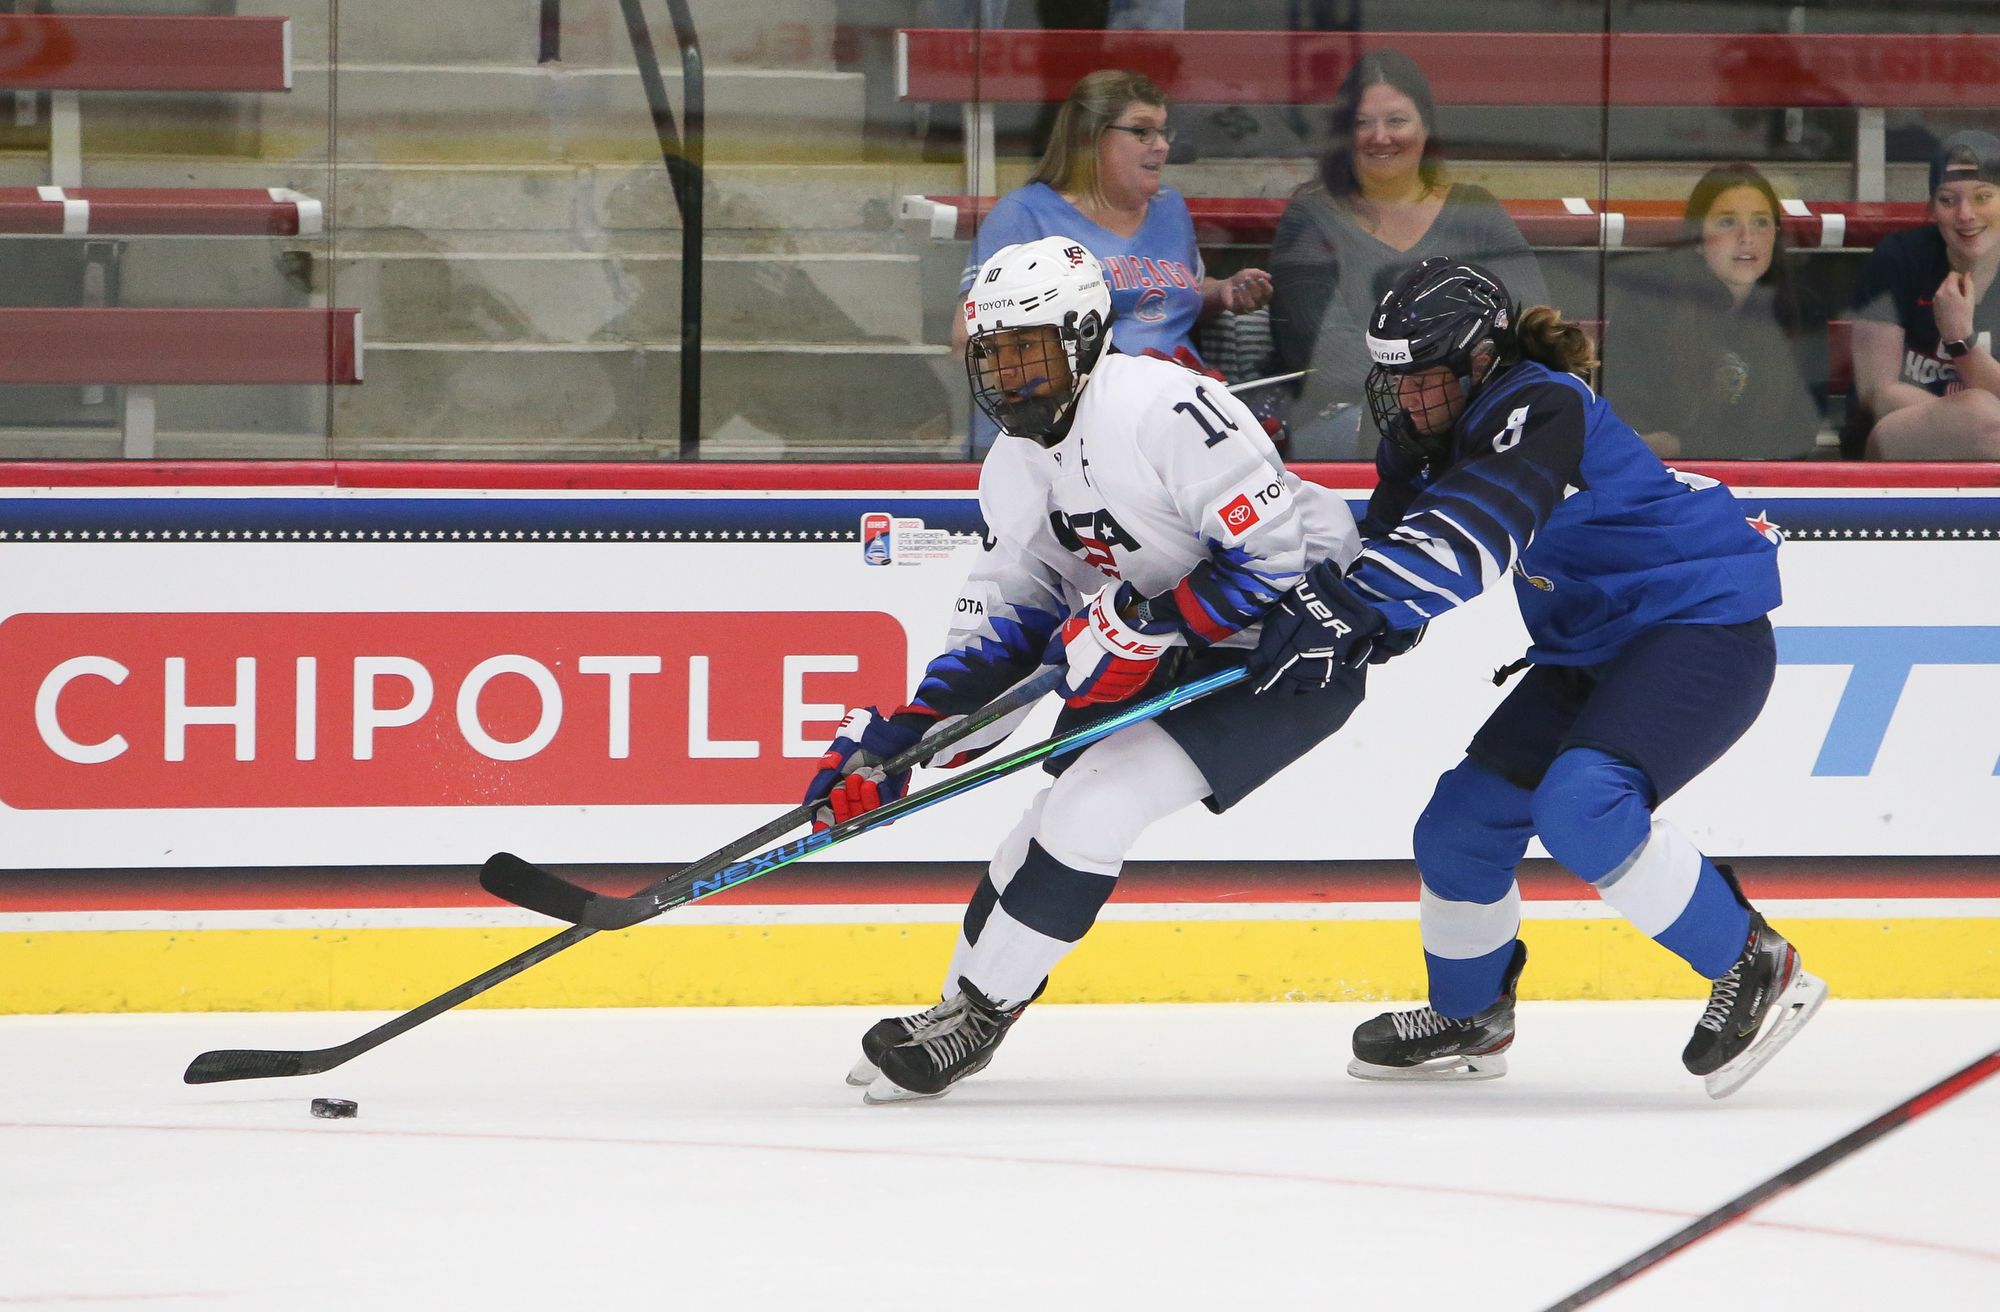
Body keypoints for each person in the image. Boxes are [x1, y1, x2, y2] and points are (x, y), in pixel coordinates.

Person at [1250, 258, 1826, 1099]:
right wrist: (1333, 625)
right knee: (1458, 828)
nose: (1405, 400)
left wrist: (1359, 608)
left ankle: (1752, 961)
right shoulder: (1424, 439)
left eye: (1424, 379)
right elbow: (1385, 565)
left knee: (1582, 805)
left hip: (1699, 629)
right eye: (1393, 379)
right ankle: (1469, 1014)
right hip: (1590, 650)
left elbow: (1475, 534)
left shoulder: (1538, 402)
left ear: (1481, 361)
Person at [808, 235, 1361, 1103]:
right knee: (1044, 823)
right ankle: (959, 1007)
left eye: (1028, 350)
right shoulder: (1013, 467)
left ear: (1083, 337)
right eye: (992, 355)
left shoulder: (1163, 411)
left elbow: (1274, 562)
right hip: (1171, 652)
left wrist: (1144, 622)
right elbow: (1007, 628)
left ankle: (980, 1017)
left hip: (1283, 655)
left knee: (1094, 807)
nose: (1007, 377)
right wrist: (902, 745)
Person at [957, 68, 1274, 451]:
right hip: (1074, 432)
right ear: (1089, 137)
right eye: (1143, 132)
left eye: (1163, 132)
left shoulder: (1169, 207)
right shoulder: (1025, 215)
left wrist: (1221, 292)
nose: (1162, 146)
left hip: (1181, 417)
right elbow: (969, 337)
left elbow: (1167, 296)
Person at [1268, 48, 1547, 459]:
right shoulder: (1310, 219)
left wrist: (1456, 400)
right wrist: (1434, 392)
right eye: (1362, 123)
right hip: (1351, 421)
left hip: (1478, 412)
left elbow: (1528, 322)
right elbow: (1322, 352)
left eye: (1396, 120)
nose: (1380, 137)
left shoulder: (1476, 211)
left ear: (1426, 127)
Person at [1600, 163, 1823, 460]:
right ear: (1697, 239)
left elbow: (1798, 433)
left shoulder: (1795, 308)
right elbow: (1626, 421)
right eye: (1727, 222)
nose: (1747, 237)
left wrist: (1685, 445)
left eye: (1760, 222)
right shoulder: (1649, 307)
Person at [1849, 129, 2000, 460]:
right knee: (1982, 416)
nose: (1965, 214)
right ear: (1932, 209)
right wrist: (1967, 423)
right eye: (1948, 199)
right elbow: (1878, 395)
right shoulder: (1899, 257)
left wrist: (1960, 341)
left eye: (1983, 197)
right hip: (1890, 446)